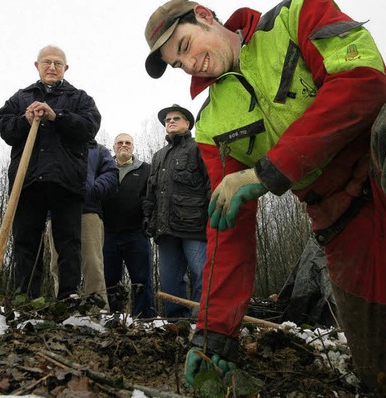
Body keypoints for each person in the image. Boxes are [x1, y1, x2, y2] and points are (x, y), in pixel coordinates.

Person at [144, 0, 386, 391]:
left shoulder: (298, 15)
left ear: (205, 16)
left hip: (378, 167)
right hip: (340, 220)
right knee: (377, 372)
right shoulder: (211, 127)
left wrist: (270, 169)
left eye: (185, 46)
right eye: (177, 64)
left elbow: (364, 80)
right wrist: (214, 333)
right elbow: (228, 231)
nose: (188, 66)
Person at [0, 45, 101, 299]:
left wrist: (59, 116)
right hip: (28, 180)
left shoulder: (80, 98)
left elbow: (90, 128)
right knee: (25, 243)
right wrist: (24, 119)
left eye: (57, 63)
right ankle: (26, 298)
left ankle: (67, 297)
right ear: (37, 65)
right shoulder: (21, 97)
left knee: (68, 242)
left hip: (66, 181)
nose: (52, 67)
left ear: (66, 68)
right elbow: (4, 128)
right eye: (47, 62)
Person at [143, 104, 210, 319]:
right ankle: (176, 322)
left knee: (202, 274)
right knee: (170, 279)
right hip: (165, 229)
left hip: (195, 227)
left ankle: (200, 322)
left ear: (187, 123)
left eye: (176, 118)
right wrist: (148, 218)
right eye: (167, 120)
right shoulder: (158, 156)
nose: (170, 121)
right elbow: (150, 192)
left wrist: (212, 215)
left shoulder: (199, 147)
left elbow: (211, 183)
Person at [47, 140, 118, 306]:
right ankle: (63, 307)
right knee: (57, 263)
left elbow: (111, 174)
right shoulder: (54, 145)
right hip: (57, 212)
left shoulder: (99, 150)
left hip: (88, 211)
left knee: (92, 263)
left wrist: (91, 189)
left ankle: (97, 310)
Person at [102, 133, 156, 318]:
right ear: (114, 147)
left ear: (133, 147)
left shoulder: (146, 169)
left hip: (136, 233)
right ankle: (113, 318)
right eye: (120, 143)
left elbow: (151, 197)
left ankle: (144, 319)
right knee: (110, 280)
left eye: (128, 143)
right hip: (108, 233)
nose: (124, 145)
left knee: (141, 280)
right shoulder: (105, 169)